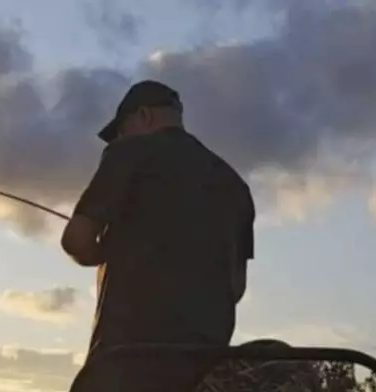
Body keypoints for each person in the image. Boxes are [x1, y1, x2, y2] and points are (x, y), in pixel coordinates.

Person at [61, 80, 256, 391]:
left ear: (144, 116)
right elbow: (235, 287)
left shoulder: (129, 152)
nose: (121, 137)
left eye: (123, 129)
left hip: (126, 364)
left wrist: (98, 253)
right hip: (202, 369)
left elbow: (75, 240)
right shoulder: (235, 185)